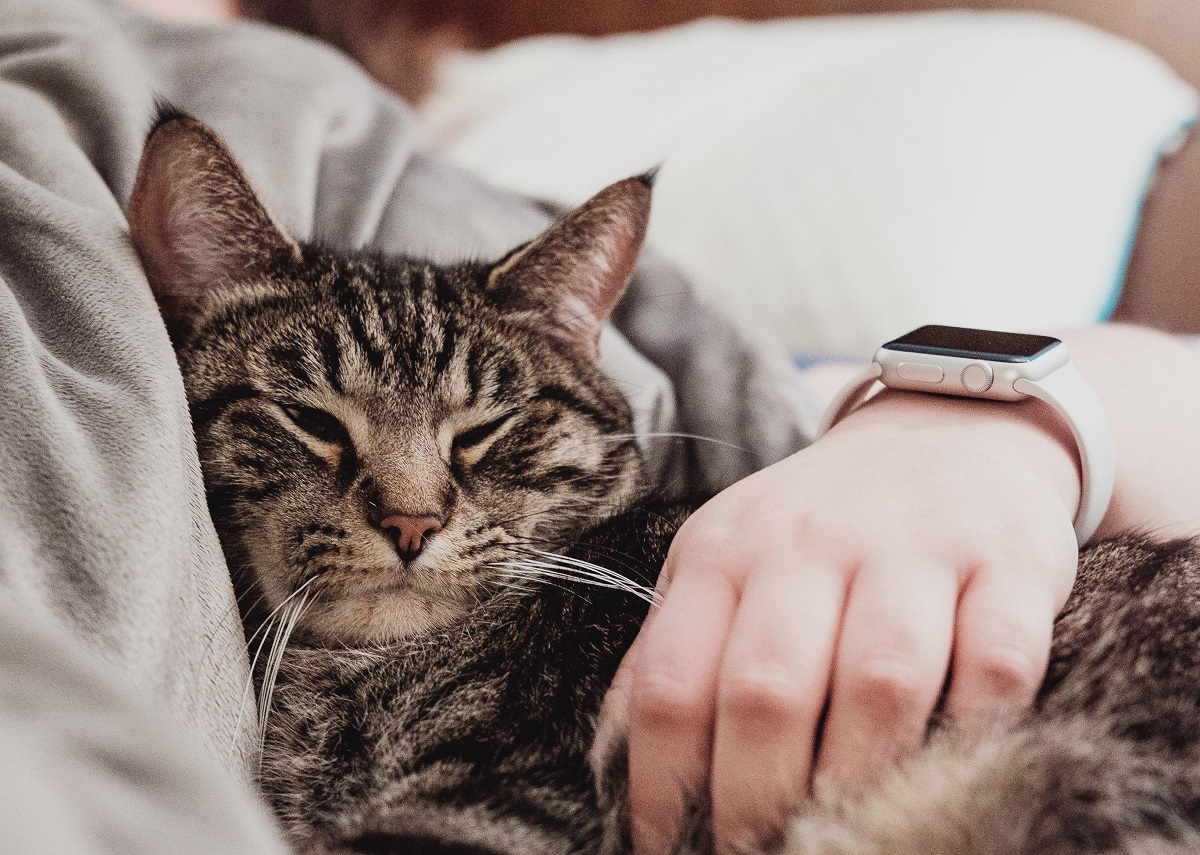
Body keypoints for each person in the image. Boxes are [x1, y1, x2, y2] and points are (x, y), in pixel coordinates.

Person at [3, 2, 1199, 854]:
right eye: (317, 426)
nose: (414, 514)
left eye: (485, 440)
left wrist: (971, 430)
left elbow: (1169, 386)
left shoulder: (622, 561)